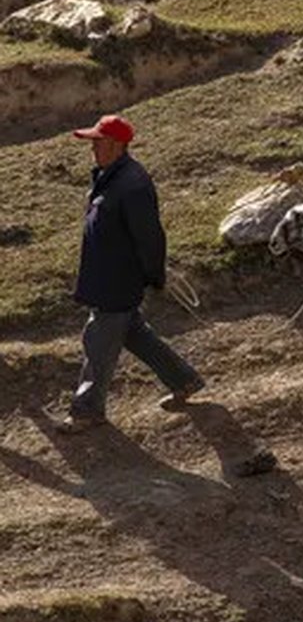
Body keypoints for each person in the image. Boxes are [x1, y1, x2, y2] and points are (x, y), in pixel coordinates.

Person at [58, 113, 204, 434]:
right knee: (135, 334)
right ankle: (185, 379)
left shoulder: (132, 184)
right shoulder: (110, 175)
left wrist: (154, 275)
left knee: (98, 343)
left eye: (97, 141)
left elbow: (150, 236)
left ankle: (86, 411)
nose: (92, 147)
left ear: (116, 145)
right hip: (107, 276)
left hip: (117, 281)